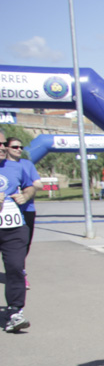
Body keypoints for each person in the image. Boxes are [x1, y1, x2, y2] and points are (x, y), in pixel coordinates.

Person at [0, 130, 36, 333]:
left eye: (4, 143)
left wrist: (26, 195)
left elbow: (30, 187)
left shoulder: (16, 167)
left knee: (15, 268)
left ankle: (15, 312)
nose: (3, 147)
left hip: (13, 227)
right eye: (0, 144)